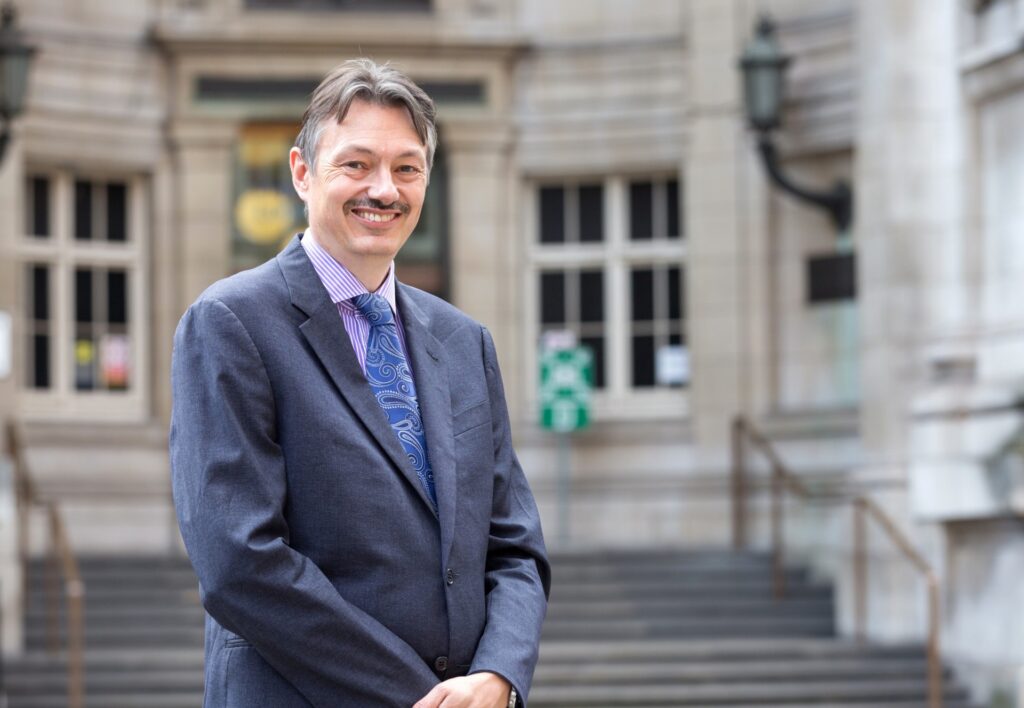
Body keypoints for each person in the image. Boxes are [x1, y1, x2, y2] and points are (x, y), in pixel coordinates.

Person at [169, 58, 550, 708]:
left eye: (407, 168)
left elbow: (513, 545)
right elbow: (241, 564)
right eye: (357, 164)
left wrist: (498, 677)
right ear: (301, 172)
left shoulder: (465, 342)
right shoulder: (230, 323)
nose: (385, 189)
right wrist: (419, 697)